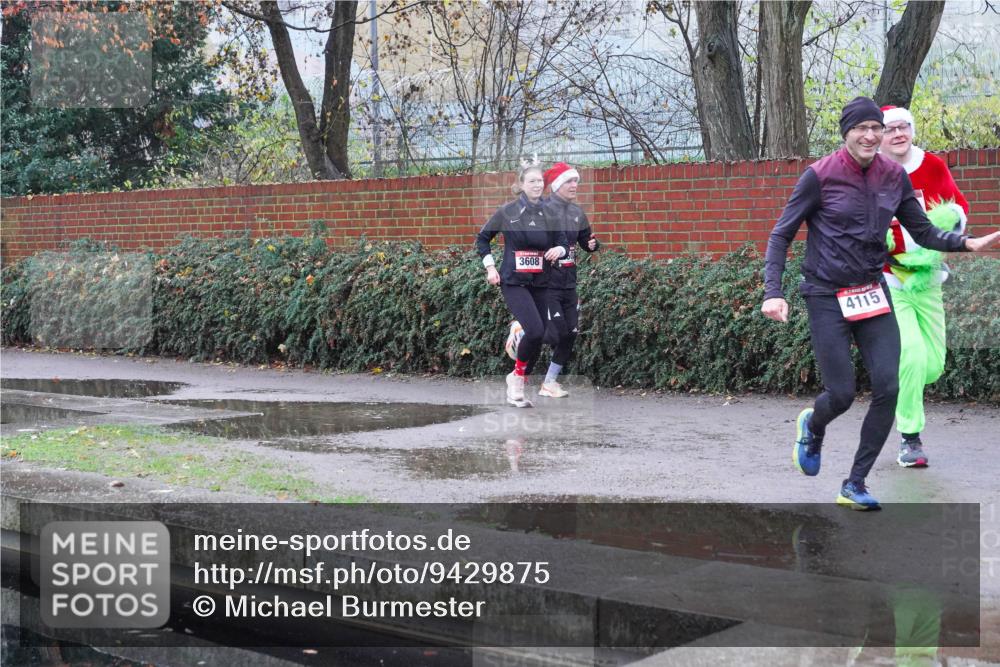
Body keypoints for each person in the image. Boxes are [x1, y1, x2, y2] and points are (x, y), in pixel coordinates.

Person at [761, 96, 1000, 510]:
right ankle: (813, 425)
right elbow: (781, 234)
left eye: (876, 128)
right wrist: (773, 292)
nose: (871, 135)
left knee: (889, 386)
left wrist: (969, 243)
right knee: (842, 394)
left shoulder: (893, 176)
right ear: (847, 133)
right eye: (862, 129)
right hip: (826, 295)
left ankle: (855, 482)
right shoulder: (820, 176)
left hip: (872, 290)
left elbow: (923, 231)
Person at [879, 105, 969, 469]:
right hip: (891, 277)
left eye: (904, 127)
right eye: (890, 129)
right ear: (880, 136)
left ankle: (903, 379)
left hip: (929, 280)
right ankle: (910, 438)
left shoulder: (932, 165)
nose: (898, 134)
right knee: (911, 355)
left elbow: (959, 208)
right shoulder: (873, 172)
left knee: (932, 365)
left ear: (912, 130)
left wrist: (952, 222)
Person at [476, 160, 568, 408]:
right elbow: (483, 238)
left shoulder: (551, 213)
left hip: (541, 281)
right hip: (514, 281)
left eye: (540, 181)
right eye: (532, 181)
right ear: (521, 185)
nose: (537, 185)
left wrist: (558, 250)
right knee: (535, 331)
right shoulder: (507, 212)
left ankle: (518, 372)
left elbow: (563, 242)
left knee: (543, 336)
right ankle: (517, 379)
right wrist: (491, 268)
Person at [526, 162, 601, 398]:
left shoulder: (578, 212)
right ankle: (521, 333)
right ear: (558, 184)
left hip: (569, 283)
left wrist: (592, 245)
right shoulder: (542, 210)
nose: (574, 185)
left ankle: (549, 382)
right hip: (546, 284)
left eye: (576, 181)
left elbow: (586, 242)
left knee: (571, 333)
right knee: (556, 333)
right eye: (569, 181)